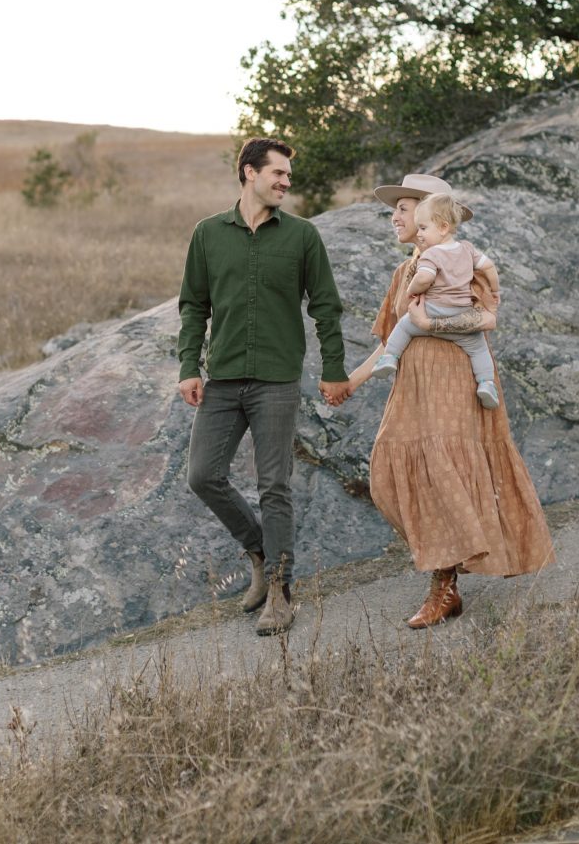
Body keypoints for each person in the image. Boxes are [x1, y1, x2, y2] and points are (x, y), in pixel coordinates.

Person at [345, 172, 555, 628]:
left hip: (453, 379)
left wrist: (432, 325)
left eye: (403, 209)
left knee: (442, 472)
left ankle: (445, 585)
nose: (395, 217)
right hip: (413, 385)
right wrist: (351, 382)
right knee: (386, 473)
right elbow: (389, 341)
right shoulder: (404, 272)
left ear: (431, 216)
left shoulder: (462, 262)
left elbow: (486, 318)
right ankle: (449, 566)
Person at [178, 136, 351, 638]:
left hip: (277, 379)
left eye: (288, 176)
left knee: (274, 485)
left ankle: (279, 589)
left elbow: (326, 306)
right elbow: (194, 305)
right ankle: (259, 551)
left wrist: (334, 368)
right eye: (278, 173)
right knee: (203, 476)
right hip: (223, 378)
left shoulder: (302, 236)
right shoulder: (208, 234)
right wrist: (189, 365)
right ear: (249, 172)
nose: (285, 182)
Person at [370, 191, 502, 410]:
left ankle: (389, 358)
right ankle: (486, 383)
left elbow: (425, 278)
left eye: (423, 227)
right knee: (479, 349)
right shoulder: (467, 250)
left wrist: (412, 291)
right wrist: (496, 289)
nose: (420, 232)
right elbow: (489, 266)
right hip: (460, 313)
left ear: (442, 227)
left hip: (435, 314)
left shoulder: (431, 255)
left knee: (404, 327)